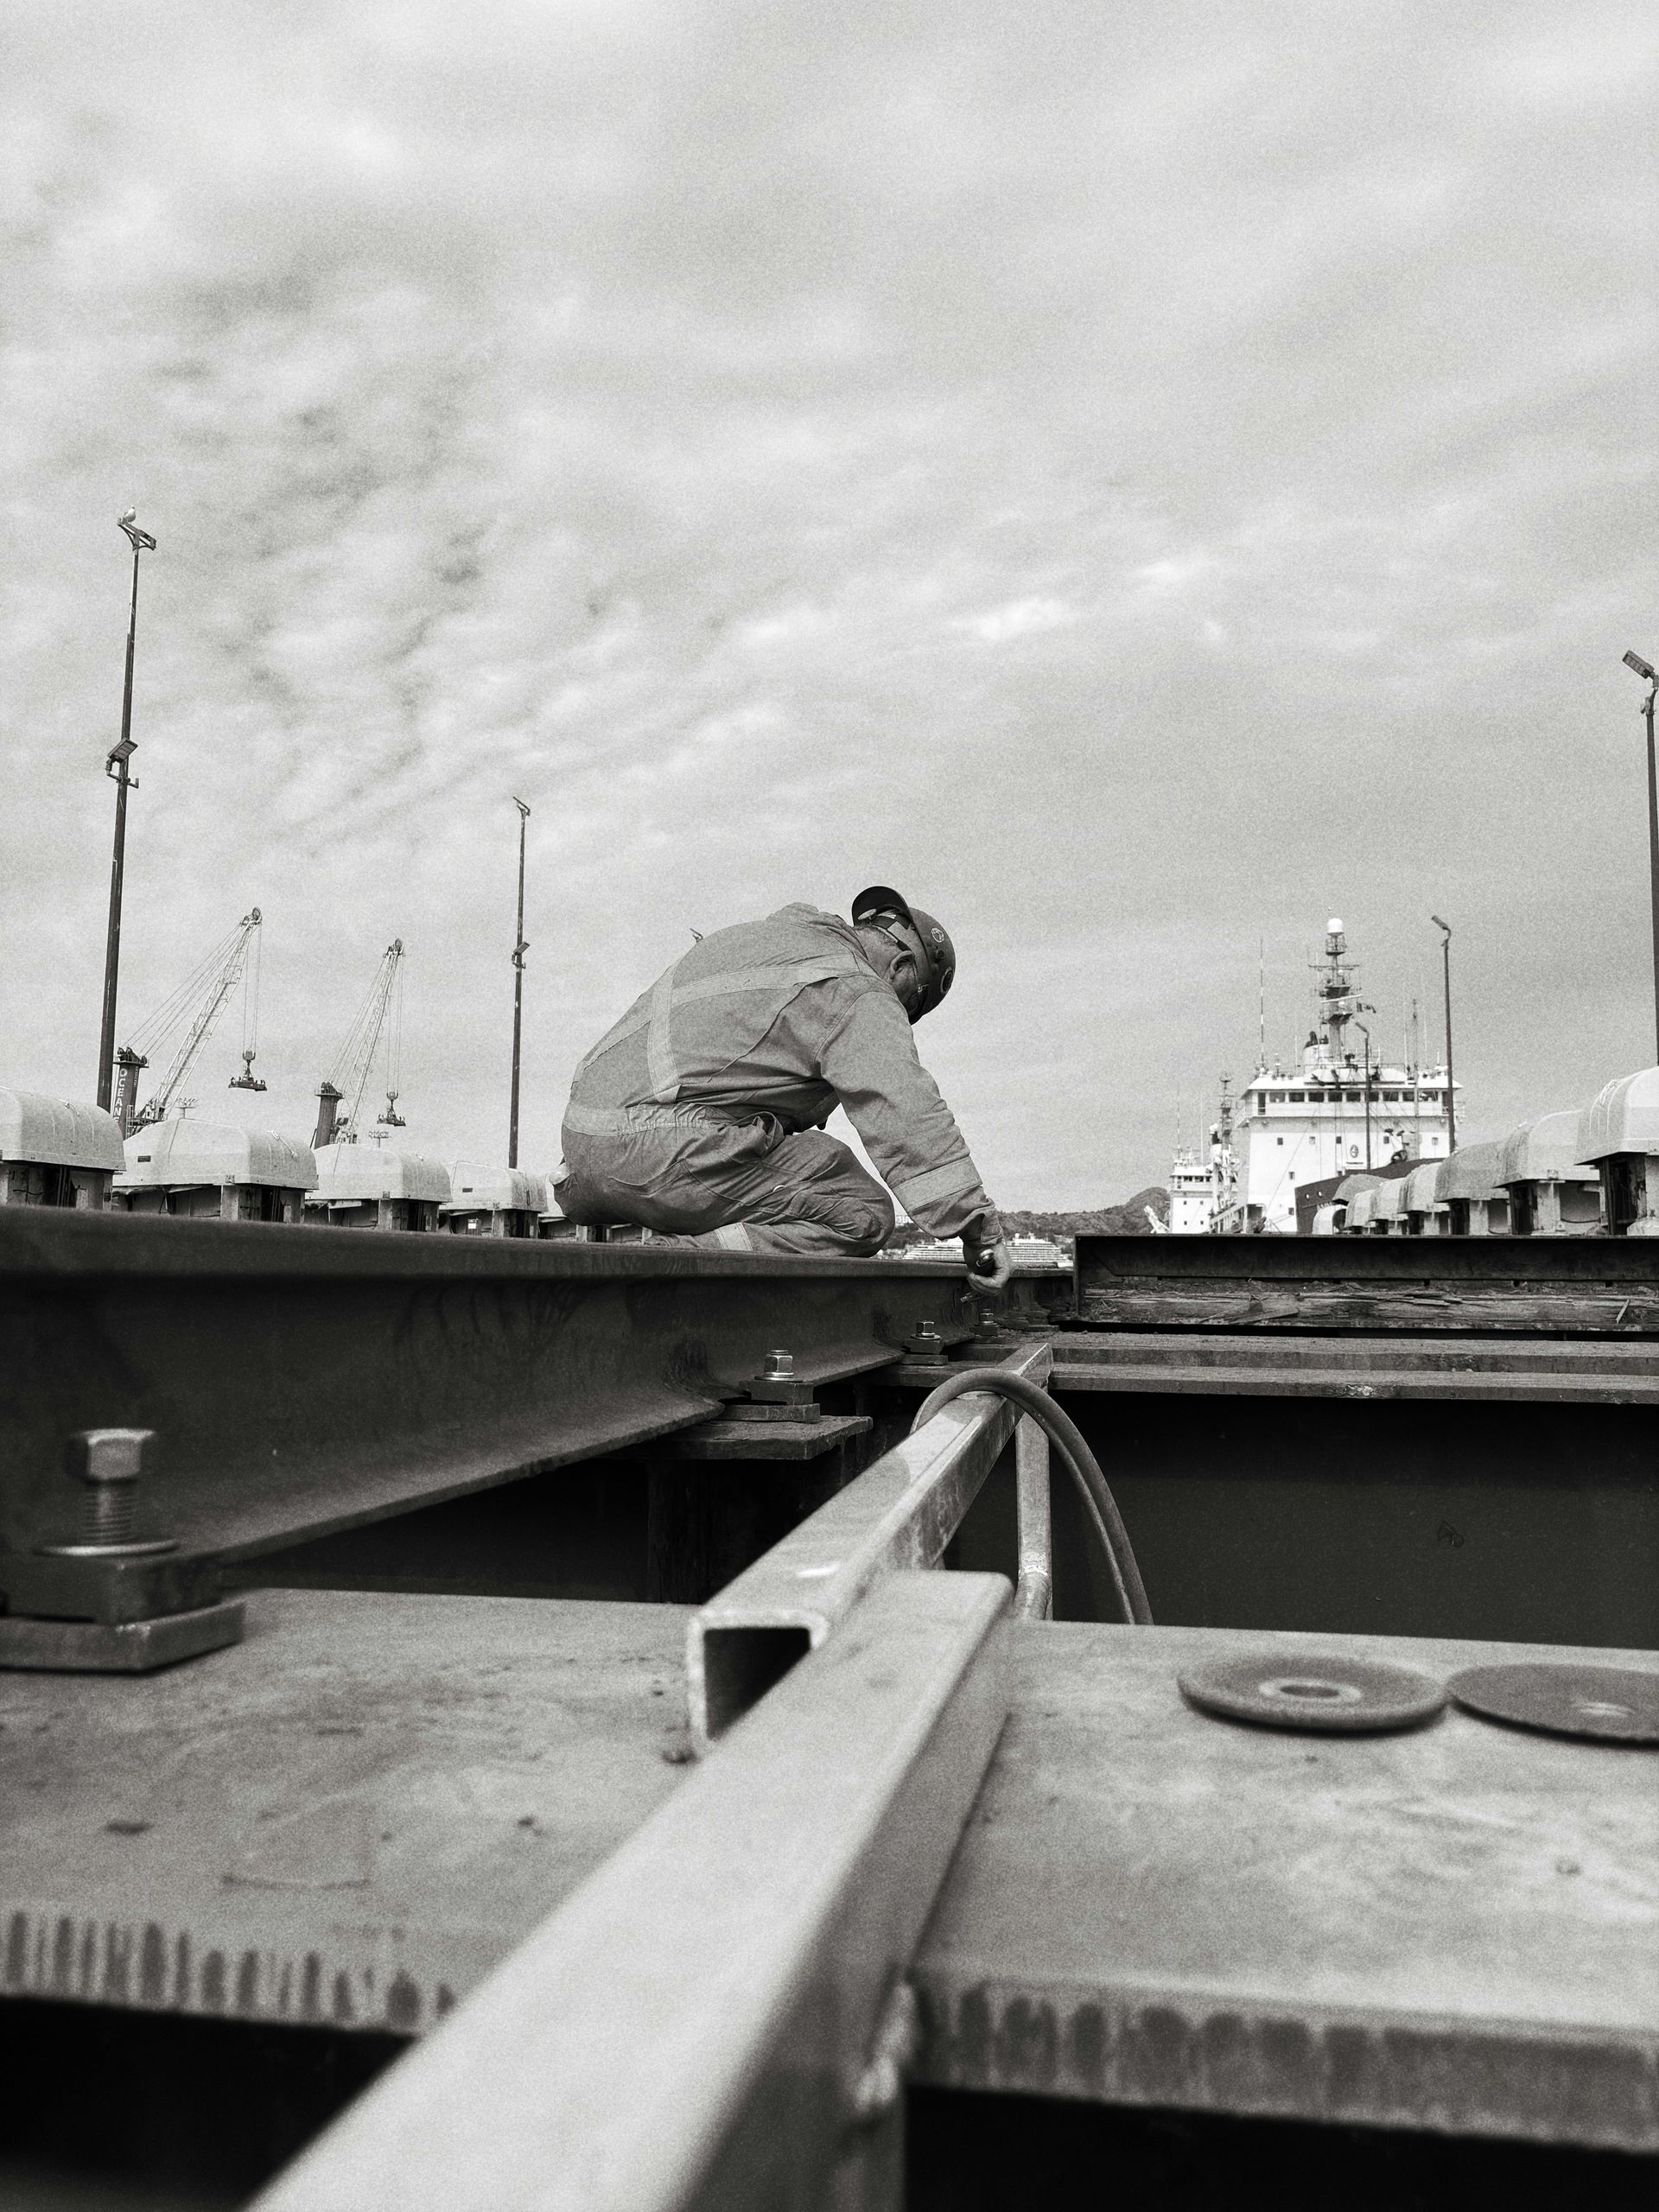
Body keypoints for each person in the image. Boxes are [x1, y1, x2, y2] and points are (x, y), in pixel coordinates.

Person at [553, 885, 1011, 1287]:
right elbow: (905, 1111)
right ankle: (677, 1266)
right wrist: (978, 1231)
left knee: (820, 1155)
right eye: (909, 1010)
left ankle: (681, 1243)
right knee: (861, 1209)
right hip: (658, 1153)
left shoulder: (757, 941)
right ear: (904, 970)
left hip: (581, 1153)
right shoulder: (855, 986)